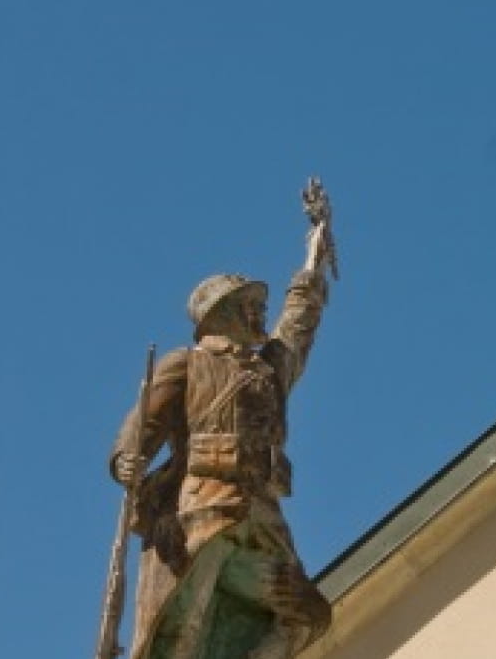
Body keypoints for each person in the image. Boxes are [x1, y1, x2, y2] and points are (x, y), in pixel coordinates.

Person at [110, 219, 334, 659]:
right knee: (181, 625)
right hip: (204, 510)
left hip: (260, 520)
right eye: (251, 304)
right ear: (220, 312)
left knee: (308, 614)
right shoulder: (187, 365)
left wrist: (312, 264)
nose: (261, 313)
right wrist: (126, 460)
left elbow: (296, 327)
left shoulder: (267, 370)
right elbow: (143, 424)